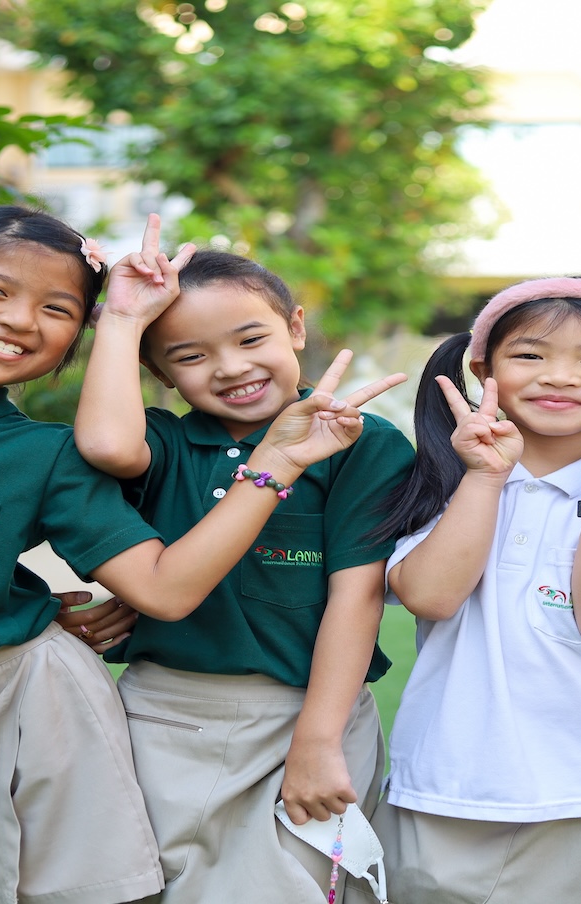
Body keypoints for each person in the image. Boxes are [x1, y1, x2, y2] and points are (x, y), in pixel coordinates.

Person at [0, 206, 401, 904]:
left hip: (39, 711)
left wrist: (266, 456)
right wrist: (22, 609)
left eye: (57, 308)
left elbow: (165, 579)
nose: (20, 320)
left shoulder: (45, 453)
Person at [54, 216, 414, 904]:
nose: (230, 367)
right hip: (163, 717)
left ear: (296, 328)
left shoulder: (359, 441)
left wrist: (319, 739)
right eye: (189, 356)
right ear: (158, 372)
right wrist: (122, 321)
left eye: (251, 339)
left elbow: (357, 595)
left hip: (310, 717)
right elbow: (106, 446)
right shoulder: (160, 444)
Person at [374, 277, 581, 904]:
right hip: (452, 792)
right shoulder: (439, 485)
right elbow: (432, 597)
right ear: (484, 371)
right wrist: (483, 480)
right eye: (529, 355)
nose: (560, 376)